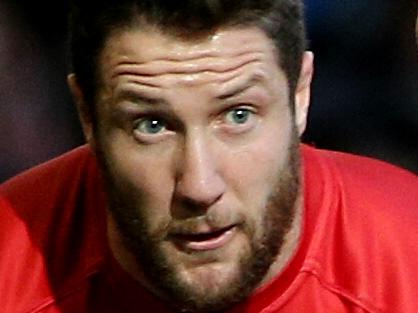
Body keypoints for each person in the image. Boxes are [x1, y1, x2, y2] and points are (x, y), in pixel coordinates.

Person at [0, 0, 417, 312]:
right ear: (86, 115)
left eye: (238, 115)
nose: (200, 186)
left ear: (300, 95)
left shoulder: (406, 259)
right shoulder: (9, 267)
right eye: (152, 125)